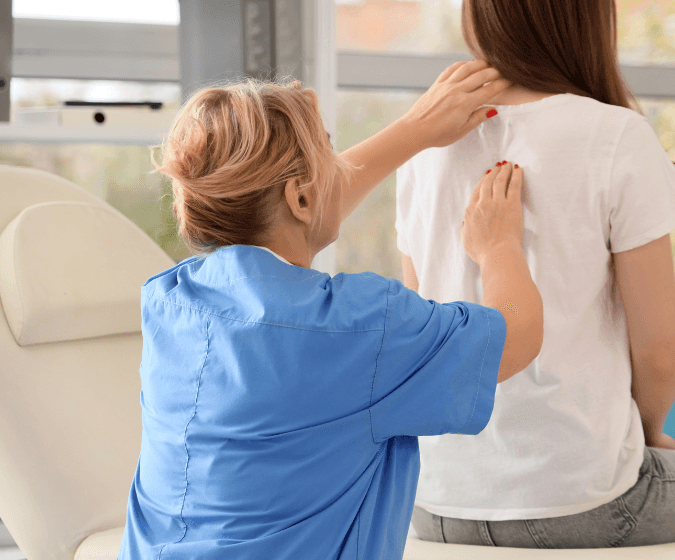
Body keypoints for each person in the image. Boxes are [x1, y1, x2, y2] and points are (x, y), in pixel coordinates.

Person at [117, 62, 545, 560]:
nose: (341, 167)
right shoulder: (360, 327)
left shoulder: (168, 302)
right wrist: (498, 247)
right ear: (300, 197)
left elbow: (291, 209)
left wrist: (414, 131)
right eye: (330, 153)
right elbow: (517, 335)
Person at [398, 0, 675, 548]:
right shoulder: (615, 135)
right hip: (580, 501)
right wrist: (649, 436)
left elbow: (419, 328)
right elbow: (659, 351)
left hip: (435, 503)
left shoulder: (423, 144)